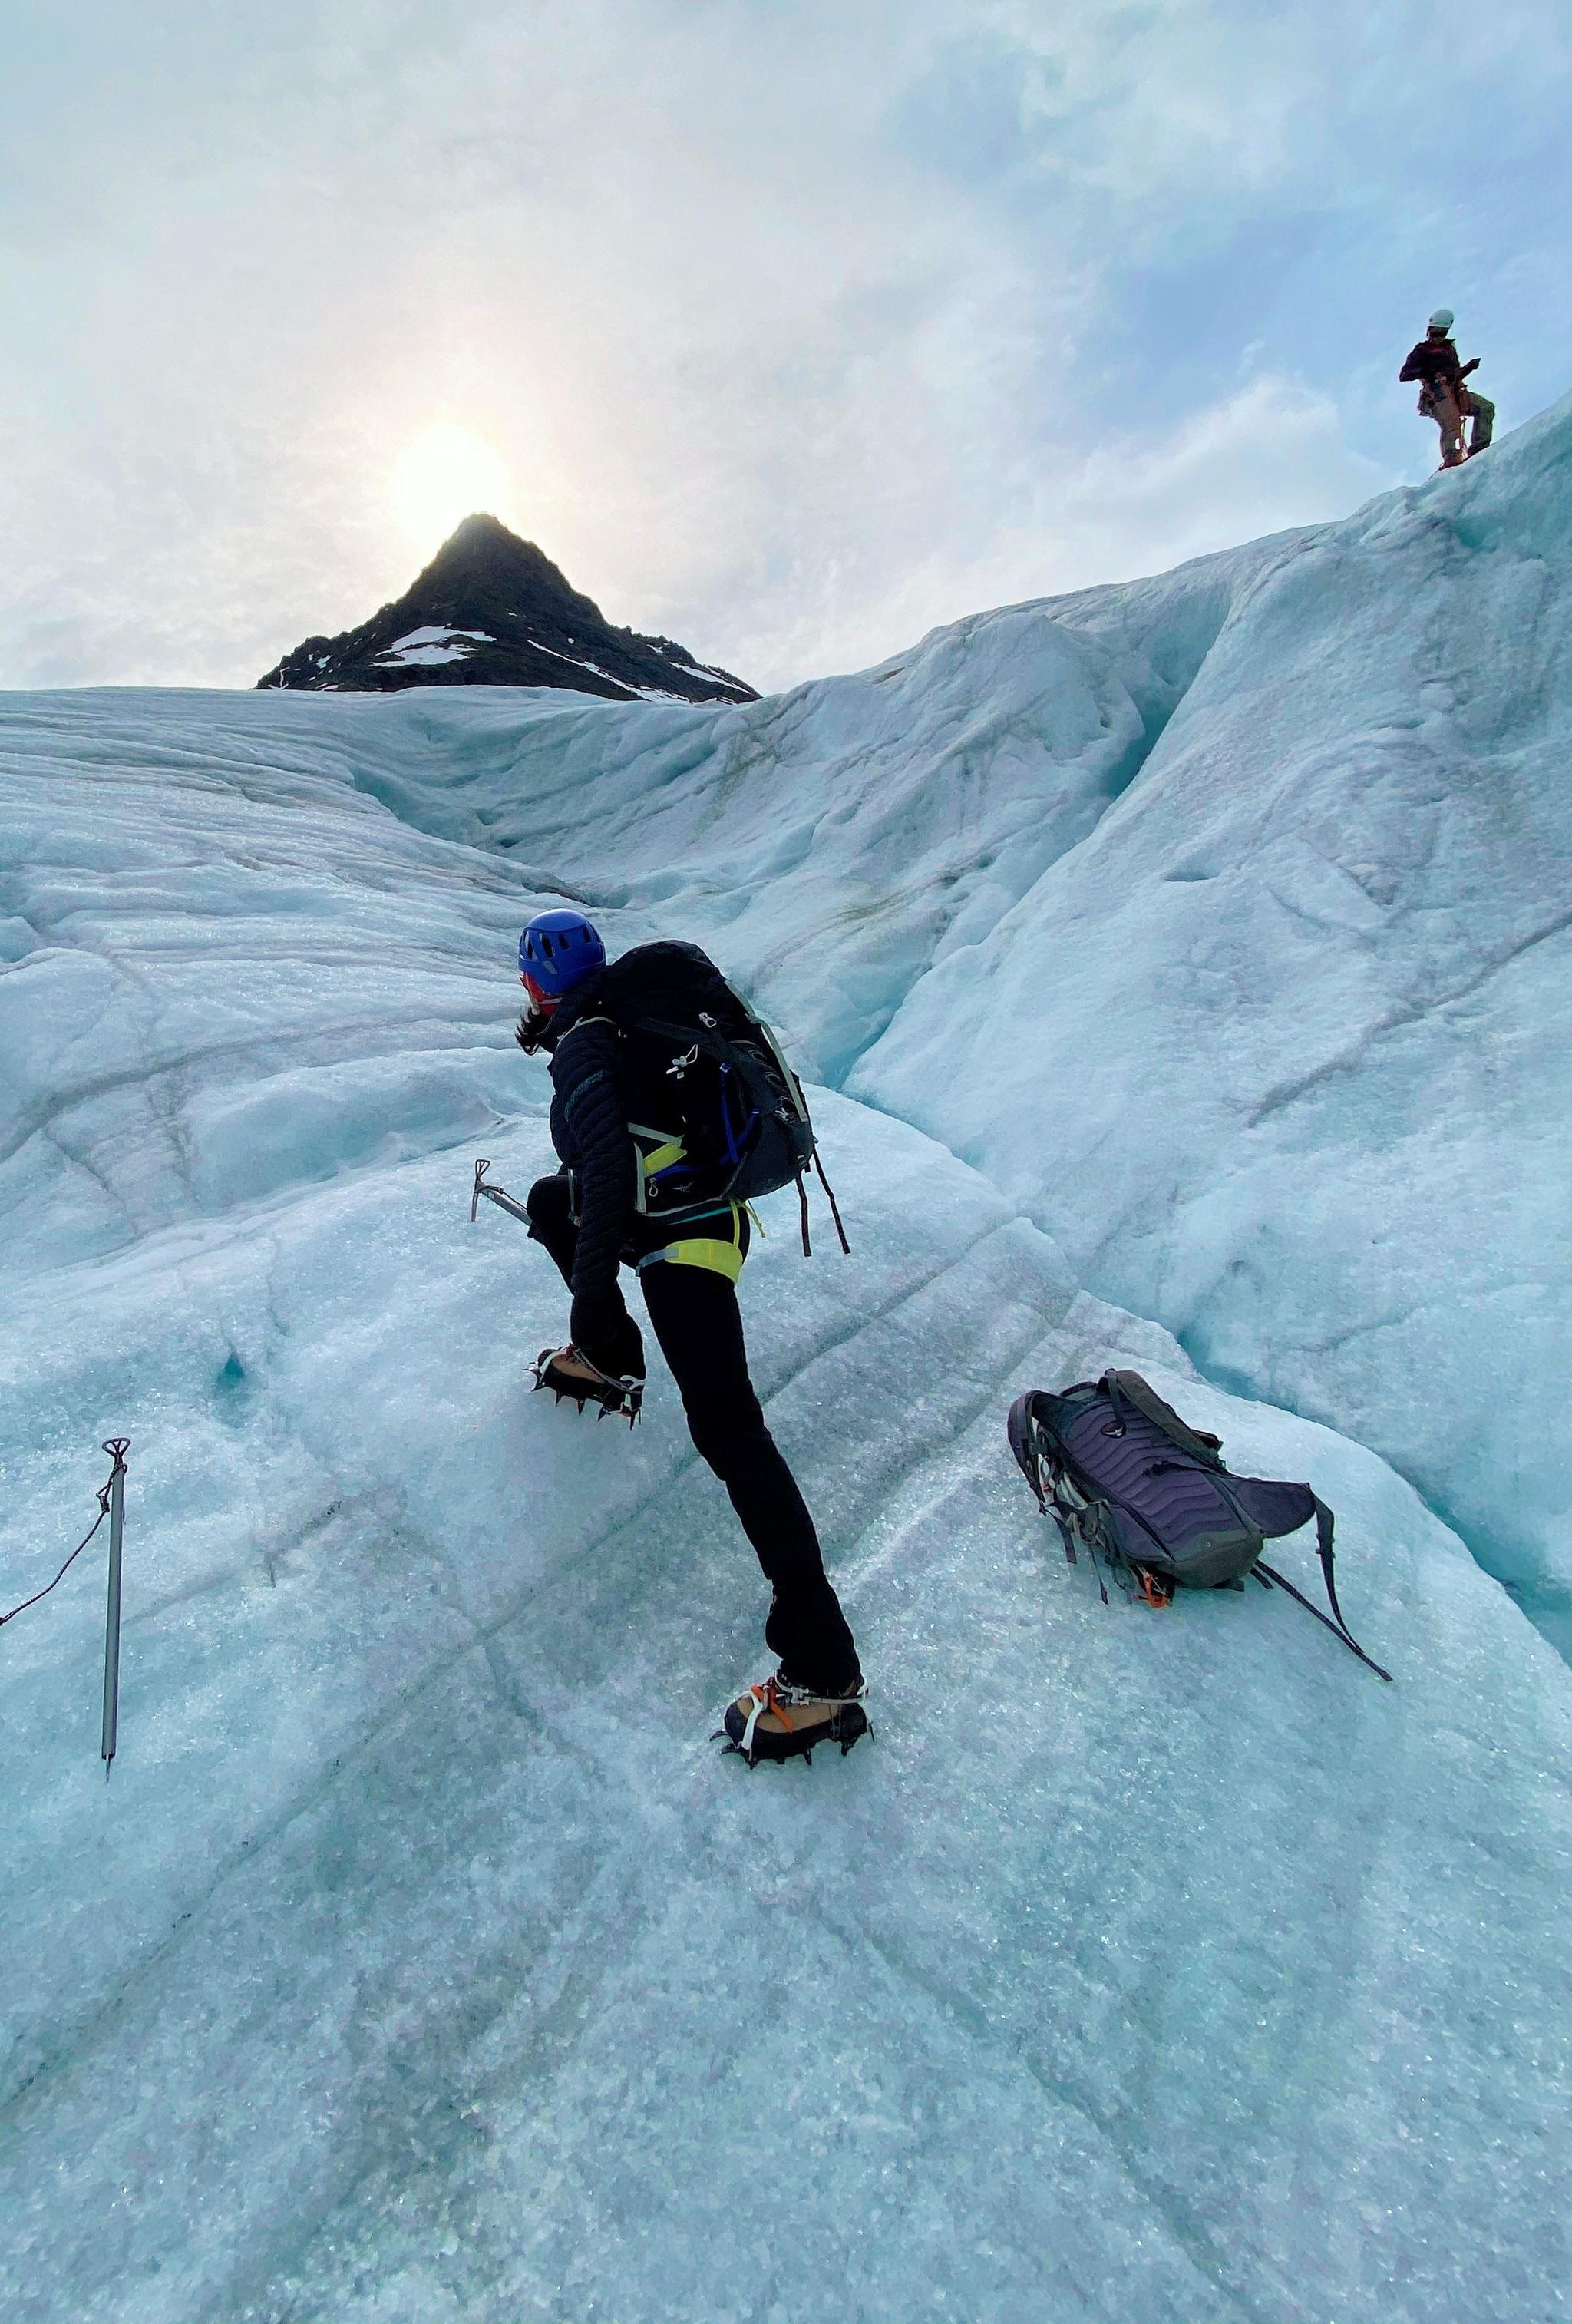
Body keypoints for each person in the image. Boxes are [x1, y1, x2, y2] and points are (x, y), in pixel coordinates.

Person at [514, 907, 867, 1764]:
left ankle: (823, 1670)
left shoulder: (591, 1046)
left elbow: (604, 1175)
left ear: (535, 980)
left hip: (690, 1237)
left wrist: (590, 1300)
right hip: (686, 1214)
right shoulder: (610, 1020)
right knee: (546, 1201)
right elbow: (591, 1179)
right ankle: (612, 1366)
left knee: (730, 1434)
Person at [1399, 309, 1494, 468]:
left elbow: (1455, 376)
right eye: (1434, 333)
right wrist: (1427, 371)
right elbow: (1405, 374)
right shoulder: (1421, 351)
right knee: (1451, 423)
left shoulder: (1449, 349)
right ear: (1429, 332)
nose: (1436, 337)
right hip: (1436, 396)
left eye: (1440, 334)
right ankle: (1451, 458)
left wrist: (1469, 368)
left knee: (1486, 407)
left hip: (1455, 392)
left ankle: (1479, 447)